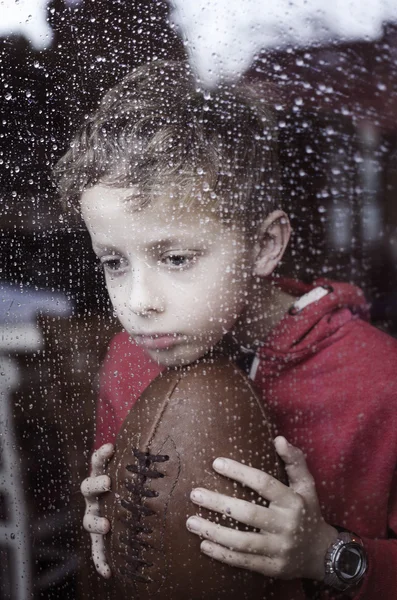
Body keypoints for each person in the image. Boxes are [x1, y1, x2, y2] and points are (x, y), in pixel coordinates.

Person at [56, 60, 397, 599]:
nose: (139, 302)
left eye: (175, 258)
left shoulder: (382, 381)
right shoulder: (128, 358)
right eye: (113, 262)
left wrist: (330, 554)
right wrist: (115, 527)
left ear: (264, 246)